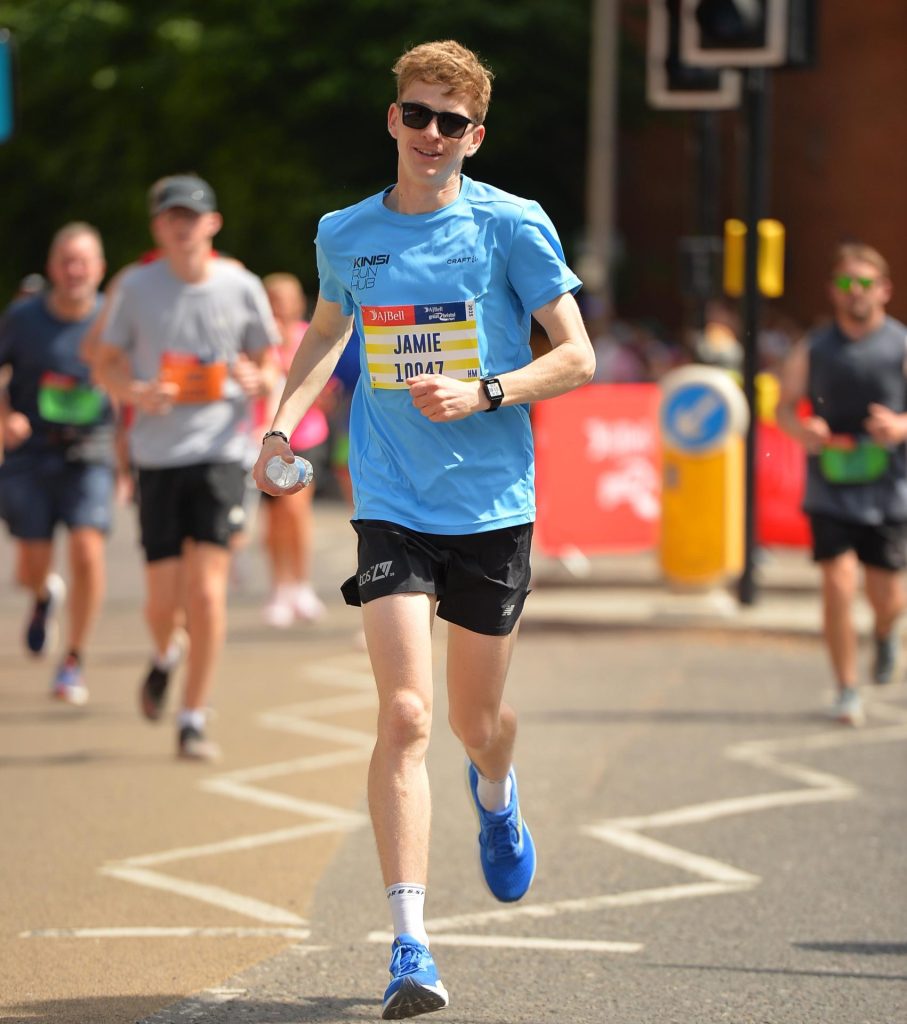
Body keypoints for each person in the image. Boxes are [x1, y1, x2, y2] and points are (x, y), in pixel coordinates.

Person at [252, 40, 595, 1020]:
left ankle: (496, 786)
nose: (432, 134)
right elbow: (326, 331)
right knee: (404, 713)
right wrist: (281, 421)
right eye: (417, 114)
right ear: (391, 119)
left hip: (492, 506)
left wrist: (489, 387)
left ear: (474, 136)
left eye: (452, 121)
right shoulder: (345, 232)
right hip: (391, 496)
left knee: (474, 722)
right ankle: (409, 943)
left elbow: (577, 355)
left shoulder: (511, 226)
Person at [92, 174, 280, 760]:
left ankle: (192, 717)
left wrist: (259, 378)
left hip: (221, 452)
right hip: (158, 457)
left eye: (192, 215)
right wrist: (133, 391)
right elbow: (104, 362)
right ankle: (166, 654)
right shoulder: (136, 287)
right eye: (171, 215)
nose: (182, 224)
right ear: (158, 228)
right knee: (161, 602)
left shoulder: (241, 284)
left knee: (206, 594)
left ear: (212, 224)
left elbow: (269, 360)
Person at [777, 242, 907, 727]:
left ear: (885, 290)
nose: (857, 292)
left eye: (866, 283)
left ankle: (887, 632)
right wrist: (802, 430)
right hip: (831, 481)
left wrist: (899, 427)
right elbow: (785, 407)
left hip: (888, 483)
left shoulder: (900, 344)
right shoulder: (814, 347)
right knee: (837, 581)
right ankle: (847, 689)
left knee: (888, 597)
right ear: (835, 291)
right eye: (848, 283)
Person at [0, 222, 112, 705]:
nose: (74, 270)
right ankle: (44, 594)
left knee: (87, 549)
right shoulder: (23, 317)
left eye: (83, 260)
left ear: (99, 268)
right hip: (31, 453)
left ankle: (73, 660)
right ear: (52, 267)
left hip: (91, 450)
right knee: (30, 563)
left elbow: (142, 370)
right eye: (66, 260)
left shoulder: (114, 317)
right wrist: (6, 418)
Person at [258, 272, 328, 626]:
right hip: (265, 438)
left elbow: (323, 386)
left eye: (285, 299)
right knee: (272, 521)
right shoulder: (257, 341)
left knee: (297, 510)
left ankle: (301, 583)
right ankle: (279, 586)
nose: (279, 306)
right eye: (272, 299)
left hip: (306, 435)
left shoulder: (308, 336)